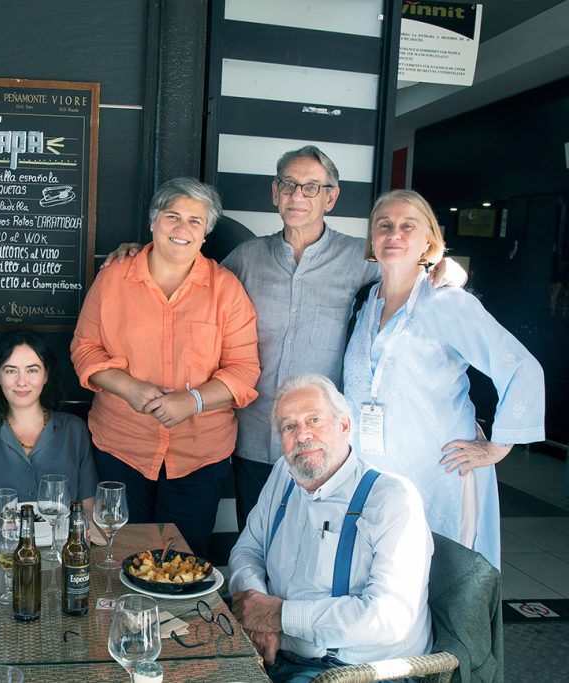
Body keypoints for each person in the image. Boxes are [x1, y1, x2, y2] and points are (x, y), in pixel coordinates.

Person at [105, 146, 465, 529]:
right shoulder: (245, 258)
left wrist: (444, 267)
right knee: (256, 537)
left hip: (324, 441)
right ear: (275, 193)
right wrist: (134, 254)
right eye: (289, 185)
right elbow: (186, 278)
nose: (297, 196)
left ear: (331, 197)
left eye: (311, 187)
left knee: (320, 545)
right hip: (254, 434)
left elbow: (409, 283)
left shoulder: (362, 260)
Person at [343, 190, 544, 568]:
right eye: (383, 225)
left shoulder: (447, 302)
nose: (393, 234)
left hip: (436, 476)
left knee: (435, 585)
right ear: (371, 237)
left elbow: (522, 367)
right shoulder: (365, 301)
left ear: (429, 241)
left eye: (407, 226)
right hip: (372, 475)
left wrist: (498, 448)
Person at [71, 177, 260, 556]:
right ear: (154, 221)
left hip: (199, 455)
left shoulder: (227, 290)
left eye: (194, 221)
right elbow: (84, 349)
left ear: (205, 233)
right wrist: (130, 389)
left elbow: (244, 370)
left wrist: (192, 401)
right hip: (121, 449)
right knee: (120, 557)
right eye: (172, 216)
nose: (182, 228)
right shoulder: (113, 280)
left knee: (182, 565)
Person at [228, 374, 433, 683]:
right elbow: (248, 549)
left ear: (345, 425)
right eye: (289, 426)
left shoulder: (392, 498)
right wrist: (259, 612)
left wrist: (277, 616)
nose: (302, 435)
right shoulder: (285, 473)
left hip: (355, 671)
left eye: (314, 420)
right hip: (279, 651)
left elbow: (389, 618)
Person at [0, 330, 97, 524]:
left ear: (46, 375)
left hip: (61, 548)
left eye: (32, 370)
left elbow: (88, 507)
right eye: (11, 370)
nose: (21, 382)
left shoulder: (74, 430)